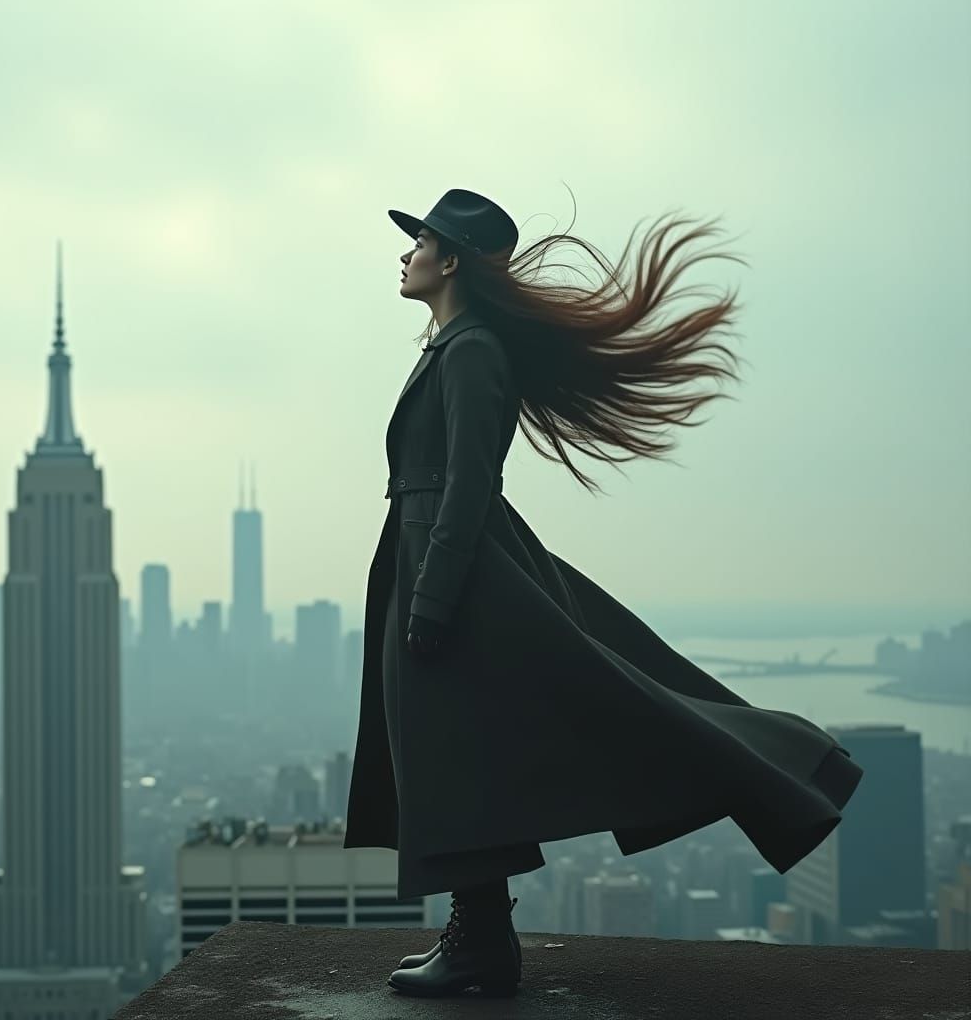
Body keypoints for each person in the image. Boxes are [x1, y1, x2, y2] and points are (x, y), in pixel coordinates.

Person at [343, 187, 864, 999]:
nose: (405, 254)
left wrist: (435, 596)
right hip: (435, 561)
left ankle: (482, 945)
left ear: (451, 261)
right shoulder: (453, 347)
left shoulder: (472, 351)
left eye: (420, 242)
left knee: (463, 746)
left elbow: (471, 483)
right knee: (453, 751)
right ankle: (480, 940)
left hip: (456, 572)